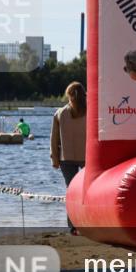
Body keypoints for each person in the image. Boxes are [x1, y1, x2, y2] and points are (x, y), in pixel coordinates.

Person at [51, 81, 87, 232]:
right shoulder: (91, 112)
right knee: (88, 191)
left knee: (71, 191)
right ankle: (88, 222)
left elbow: (54, 139)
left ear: (68, 95)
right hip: (87, 156)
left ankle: (72, 226)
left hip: (66, 157)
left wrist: (54, 158)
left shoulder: (60, 113)